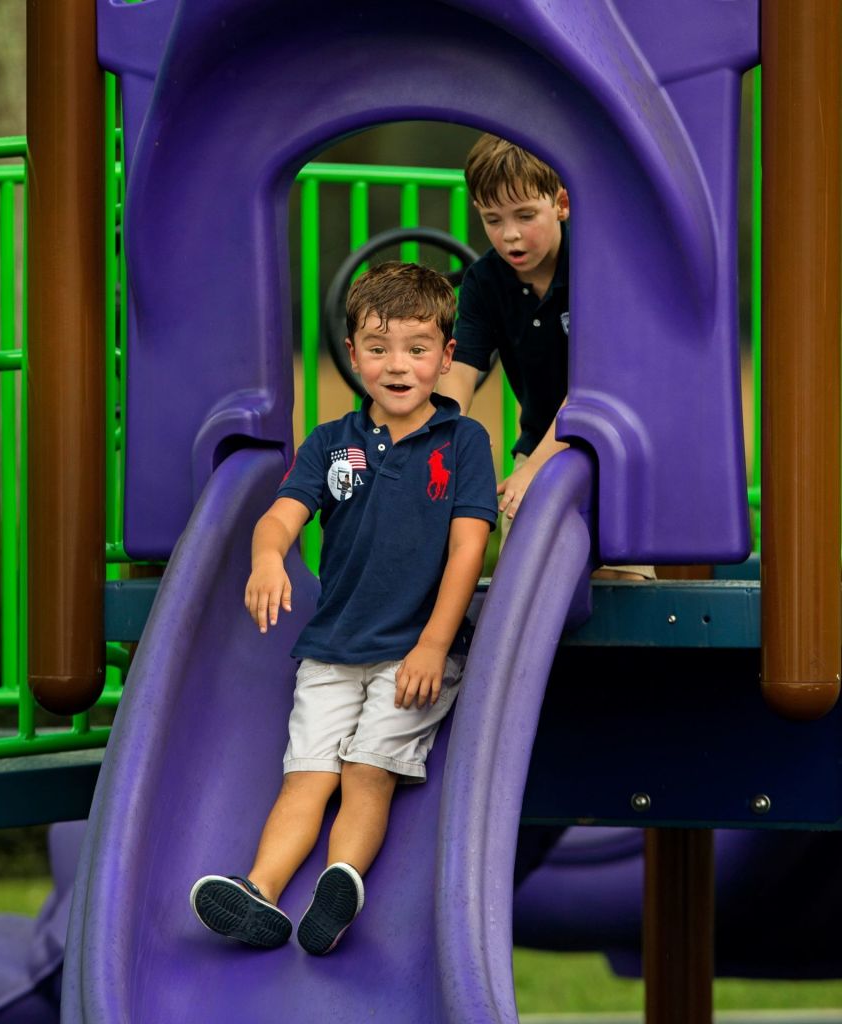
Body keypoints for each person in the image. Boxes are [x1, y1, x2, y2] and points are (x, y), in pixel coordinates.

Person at [190, 262, 497, 955]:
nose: (398, 365)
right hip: (331, 649)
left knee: (367, 772)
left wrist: (432, 644)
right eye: (380, 348)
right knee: (306, 777)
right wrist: (268, 556)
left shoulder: (464, 444)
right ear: (353, 355)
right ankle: (260, 892)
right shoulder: (333, 442)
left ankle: (341, 880)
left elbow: (467, 552)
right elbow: (280, 517)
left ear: (446, 358)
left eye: (418, 349)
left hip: (417, 651)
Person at [437, 133, 654, 580]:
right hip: (539, 441)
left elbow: (591, 389)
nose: (510, 234)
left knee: (622, 575)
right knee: (523, 572)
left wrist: (535, 469)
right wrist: (443, 435)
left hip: (609, 447)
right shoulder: (484, 282)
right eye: (493, 219)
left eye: (525, 215)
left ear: (561, 203)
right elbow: (460, 372)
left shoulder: (594, 265)